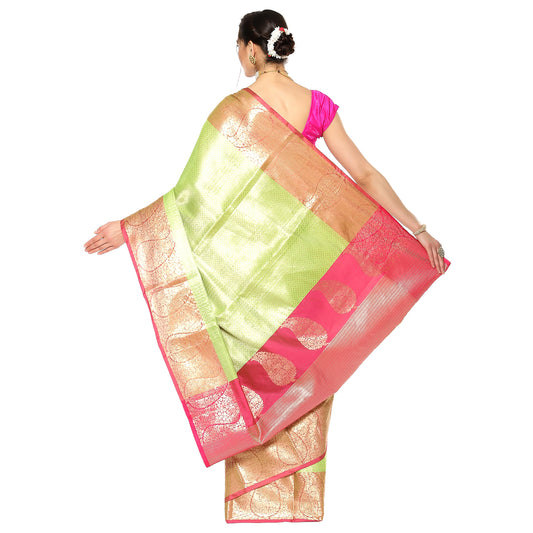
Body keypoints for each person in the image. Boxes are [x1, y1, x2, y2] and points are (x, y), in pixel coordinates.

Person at [84, 9, 449, 523]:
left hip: (249, 274)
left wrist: (129, 227)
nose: (238, 57)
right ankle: (295, 505)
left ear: (252, 50)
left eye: (238, 49)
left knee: (250, 378)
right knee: (306, 381)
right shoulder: (317, 105)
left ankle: (262, 506)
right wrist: (418, 228)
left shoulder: (236, 110)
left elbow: (192, 196)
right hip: (311, 270)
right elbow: (365, 174)